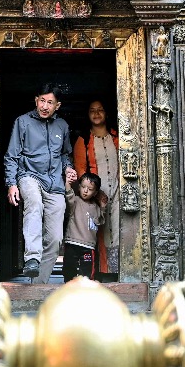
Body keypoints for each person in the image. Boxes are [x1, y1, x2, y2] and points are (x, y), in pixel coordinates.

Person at [4, 83, 77, 282]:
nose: (45, 106)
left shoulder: (62, 126)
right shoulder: (23, 122)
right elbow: (11, 156)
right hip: (29, 175)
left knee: (55, 238)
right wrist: (11, 183)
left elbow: (65, 156)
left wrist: (68, 169)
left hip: (55, 184)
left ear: (57, 105)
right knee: (34, 203)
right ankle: (32, 258)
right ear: (36, 100)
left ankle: (38, 284)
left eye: (50, 102)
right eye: (42, 101)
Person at [73, 100, 120, 279]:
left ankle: (119, 270)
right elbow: (80, 170)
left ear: (106, 114)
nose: (97, 113)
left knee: (117, 230)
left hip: (118, 192)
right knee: (98, 232)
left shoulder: (117, 137)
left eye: (100, 110)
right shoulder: (84, 140)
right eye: (92, 110)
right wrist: (94, 193)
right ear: (88, 115)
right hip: (95, 195)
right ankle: (102, 272)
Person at [63, 173, 106, 281]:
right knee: (69, 268)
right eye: (83, 187)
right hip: (72, 242)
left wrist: (103, 207)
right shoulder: (76, 201)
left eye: (90, 189)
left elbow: (99, 222)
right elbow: (69, 197)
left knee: (87, 271)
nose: (85, 191)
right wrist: (68, 184)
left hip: (88, 246)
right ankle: (68, 288)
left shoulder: (96, 207)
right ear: (79, 187)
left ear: (95, 192)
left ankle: (85, 290)